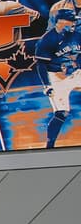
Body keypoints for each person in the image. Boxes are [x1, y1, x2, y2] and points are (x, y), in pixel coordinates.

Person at [34, 8, 80, 148]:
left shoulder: (76, 35)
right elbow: (41, 64)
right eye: (71, 21)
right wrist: (47, 85)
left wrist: (76, 64)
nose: (74, 24)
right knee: (62, 113)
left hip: (75, 73)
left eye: (74, 21)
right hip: (56, 77)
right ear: (60, 21)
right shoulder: (47, 40)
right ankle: (50, 146)